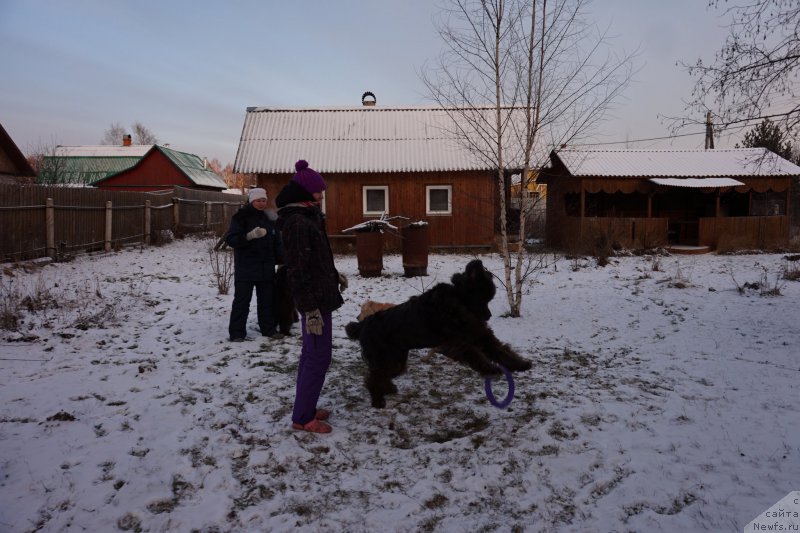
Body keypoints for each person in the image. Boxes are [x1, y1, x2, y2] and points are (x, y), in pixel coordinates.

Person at [275, 160, 347, 433]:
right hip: (313, 301)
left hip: (320, 294)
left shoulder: (309, 216)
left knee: (313, 355)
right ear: (306, 193)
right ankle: (303, 417)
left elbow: (315, 258)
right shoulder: (296, 222)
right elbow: (297, 269)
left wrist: (333, 274)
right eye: (319, 191)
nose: (322, 195)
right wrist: (309, 309)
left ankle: (306, 406)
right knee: (317, 358)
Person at [224, 187, 284, 342]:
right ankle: (237, 333)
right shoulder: (241, 217)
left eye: (264, 200)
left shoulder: (270, 218)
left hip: (266, 267)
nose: (262, 203)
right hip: (246, 268)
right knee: (242, 301)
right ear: (252, 201)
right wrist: (249, 236)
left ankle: (268, 329)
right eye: (259, 200)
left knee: (266, 301)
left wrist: (282, 260)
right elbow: (231, 239)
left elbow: (277, 242)